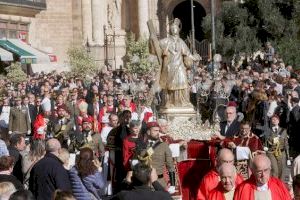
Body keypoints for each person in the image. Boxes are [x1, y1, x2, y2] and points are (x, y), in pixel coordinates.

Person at [158, 18, 200, 108]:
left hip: (180, 66)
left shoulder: (181, 42)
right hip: (170, 66)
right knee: (170, 85)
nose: (174, 30)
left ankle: (184, 102)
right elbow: (156, 46)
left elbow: (187, 53)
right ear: (170, 30)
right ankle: (170, 102)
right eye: (172, 28)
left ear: (178, 30)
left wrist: (194, 57)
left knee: (183, 82)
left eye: (175, 28)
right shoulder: (165, 41)